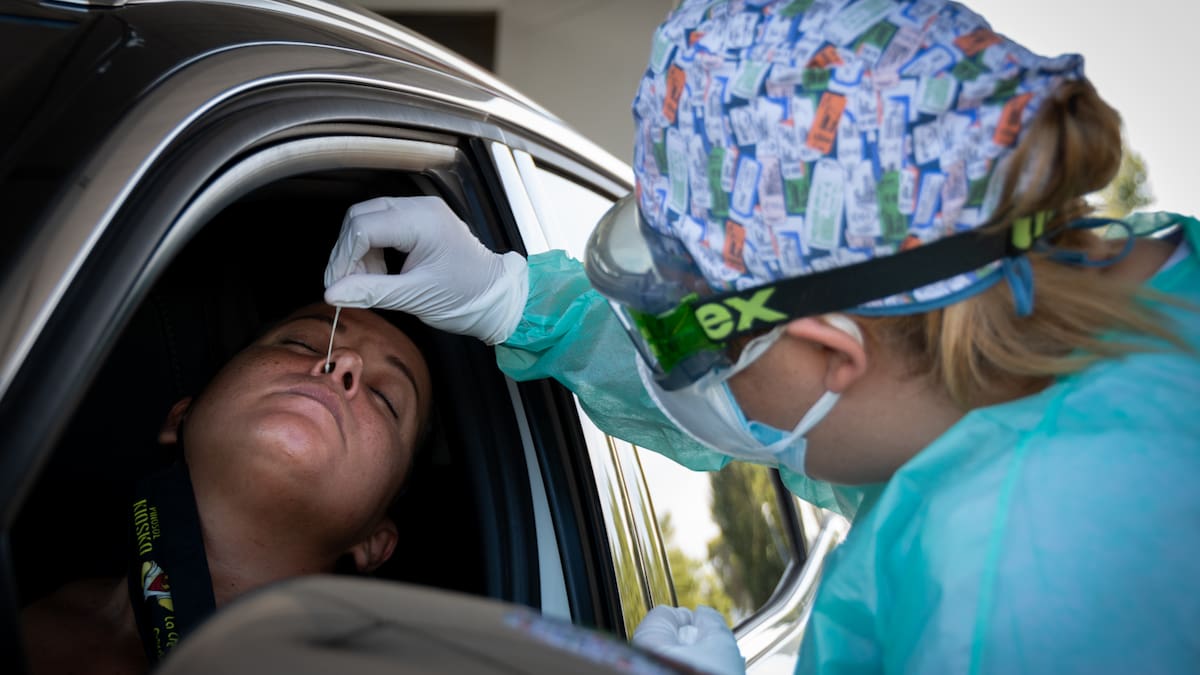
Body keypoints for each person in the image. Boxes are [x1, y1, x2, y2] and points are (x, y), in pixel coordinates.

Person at [323, 1, 1200, 672]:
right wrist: (511, 301)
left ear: (835, 352)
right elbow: (763, 337)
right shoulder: (1062, 307)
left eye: (681, 335)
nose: (668, 366)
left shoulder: (1020, 591)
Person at [20, 303, 433, 675]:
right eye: (302, 343)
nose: (343, 362)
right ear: (183, 416)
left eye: (385, 397)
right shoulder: (23, 592)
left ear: (375, 541)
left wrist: (501, 317)